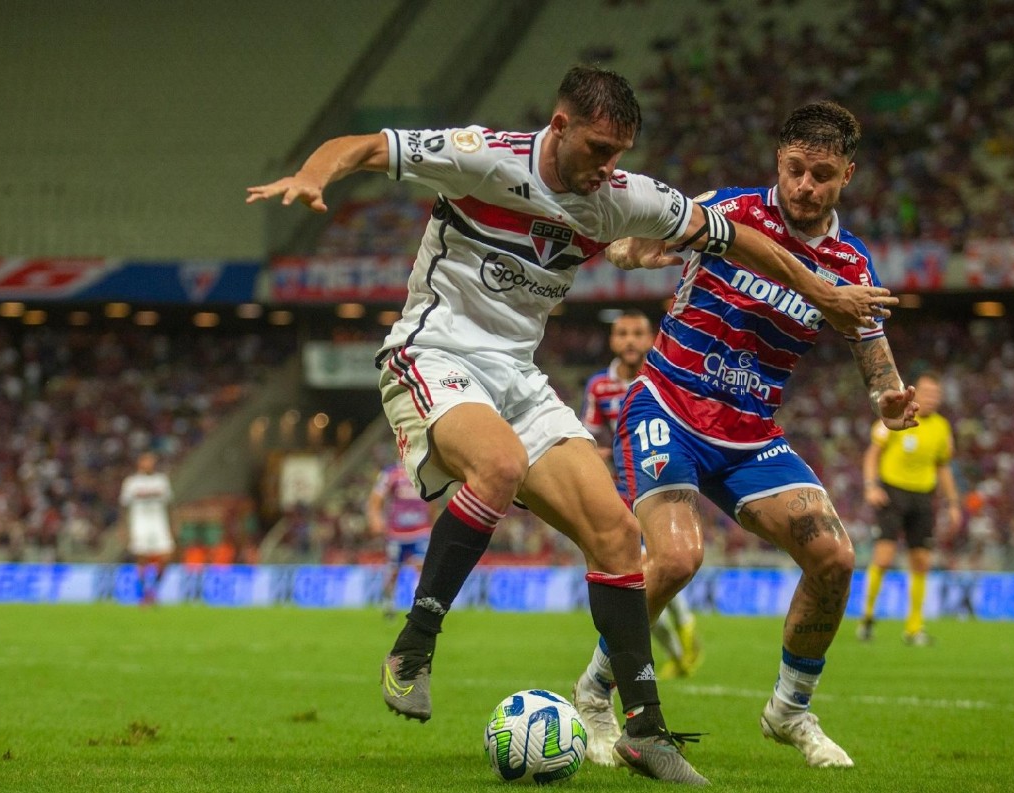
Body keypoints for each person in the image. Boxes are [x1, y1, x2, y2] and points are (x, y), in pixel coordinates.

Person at [248, 66, 894, 784]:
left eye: (619, 154)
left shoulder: (619, 194)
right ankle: (413, 644)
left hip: (518, 377)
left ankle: (644, 731)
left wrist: (818, 289)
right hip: (431, 353)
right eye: (597, 150)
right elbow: (363, 146)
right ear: (559, 128)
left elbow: (736, 239)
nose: (608, 168)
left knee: (617, 536)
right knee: (497, 465)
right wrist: (312, 176)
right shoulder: (483, 157)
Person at [572, 100, 917, 769]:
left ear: (846, 175)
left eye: (821, 174)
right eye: (795, 169)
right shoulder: (728, 210)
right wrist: (635, 250)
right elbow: (631, 243)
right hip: (667, 405)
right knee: (676, 558)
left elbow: (874, 356)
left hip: (750, 435)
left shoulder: (850, 264)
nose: (805, 186)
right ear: (778, 162)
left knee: (835, 557)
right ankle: (594, 690)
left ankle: (789, 710)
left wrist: (888, 399)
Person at [582, 310, 702, 678]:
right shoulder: (599, 387)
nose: (630, 340)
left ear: (651, 339)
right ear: (612, 341)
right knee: (637, 577)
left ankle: (682, 630)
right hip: (619, 496)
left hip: (659, 489)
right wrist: (601, 456)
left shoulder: (664, 378)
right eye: (622, 333)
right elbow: (590, 438)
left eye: (638, 333)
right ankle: (679, 648)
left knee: (656, 567)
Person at [857, 372, 961, 645]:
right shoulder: (896, 416)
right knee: (884, 558)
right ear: (914, 392)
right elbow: (872, 454)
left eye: (936, 394)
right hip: (892, 493)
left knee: (921, 562)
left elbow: (943, 467)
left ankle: (914, 628)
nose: (932, 398)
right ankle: (867, 617)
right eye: (927, 392)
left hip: (923, 497)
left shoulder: (942, 427)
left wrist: (953, 504)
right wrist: (870, 486)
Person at [366, 458, 436, 617]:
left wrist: (431, 523)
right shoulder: (391, 473)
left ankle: (419, 606)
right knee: (393, 570)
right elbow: (376, 498)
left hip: (420, 530)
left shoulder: (424, 472)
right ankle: (389, 602)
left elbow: (433, 499)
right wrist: (375, 518)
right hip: (397, 533)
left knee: (421, 567)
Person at [119, 452, 176, 606]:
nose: (149, 464)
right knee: (142, 560)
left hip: (159, 524)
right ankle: (145, 594)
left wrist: (173, 526)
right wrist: (123, 528)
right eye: (146, 461)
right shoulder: (131, 482)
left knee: (167, 557)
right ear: (140, 463)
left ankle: (153, 590)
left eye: (151, 461)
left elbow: (169, 505)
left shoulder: (161, 481)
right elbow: (124, 507)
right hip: (140, 524)